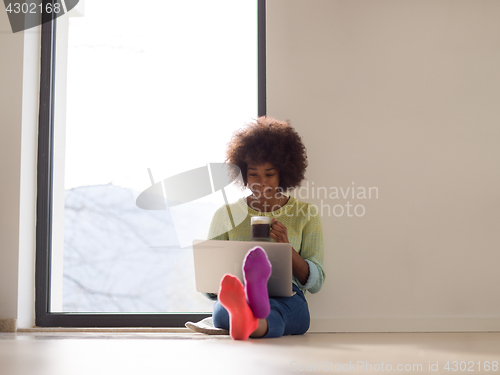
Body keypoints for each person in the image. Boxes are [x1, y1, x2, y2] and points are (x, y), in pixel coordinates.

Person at [206, 116, 325, 339]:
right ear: (243, 173)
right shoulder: (226, 215)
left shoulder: (305, 214)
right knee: (223, 310)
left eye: (269, 174)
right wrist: (216, 283)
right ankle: (252, 311)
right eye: (253, 174)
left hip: (286, 294)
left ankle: (248, 315)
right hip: (239, 292)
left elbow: (316, 281)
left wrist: (287, 251)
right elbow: (210, 283)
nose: (261, 182)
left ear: (283, 172)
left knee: (286, 311)